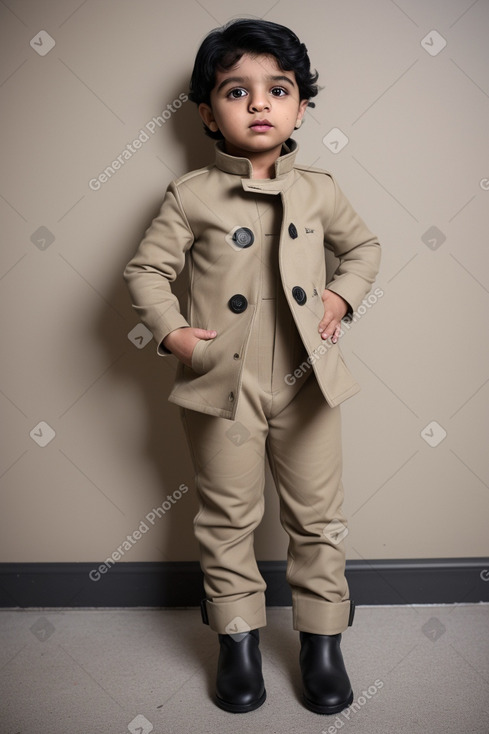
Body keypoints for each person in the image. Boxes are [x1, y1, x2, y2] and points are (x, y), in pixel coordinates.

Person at [124, 18, 381, 715]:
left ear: (301, 107)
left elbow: (364, 251)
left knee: (318, 520)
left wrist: (339, 295)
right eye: (237, 91)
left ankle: (321, 642)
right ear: (209, 112)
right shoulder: (191, 195)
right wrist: (174, 333)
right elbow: (146, 270)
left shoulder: (320, 190)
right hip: (221, 389)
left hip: (308, 386)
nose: (259, 104)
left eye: (278, 89)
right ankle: (237, 642)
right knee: (225, 520)